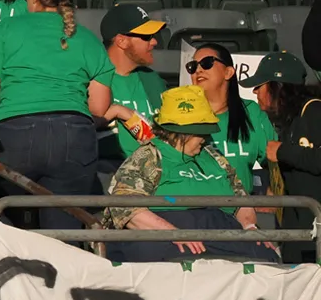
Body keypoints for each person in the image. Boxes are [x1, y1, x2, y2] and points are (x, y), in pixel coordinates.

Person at [0, 0, 113, 231]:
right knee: (63, 231)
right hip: (74, 137)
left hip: (16, 136)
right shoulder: (87, 39)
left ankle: (13, 264)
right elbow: (99, 106)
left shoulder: (8, 28)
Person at [103, 86, 277, 263]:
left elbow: (240, 199)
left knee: (265, 255)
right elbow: (126, 208)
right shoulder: (150, 156)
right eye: (200, 132)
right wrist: (175, 233)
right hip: (168, 234)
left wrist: (250, 227)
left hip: (220, 233)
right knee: (172, 256)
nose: (205, 138)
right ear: (180, 133)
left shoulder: (215, 158)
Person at [244, 51, 321, 264]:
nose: (255, 91)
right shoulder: (290, 122)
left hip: (315, 237)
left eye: (260, 85)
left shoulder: (314, 111)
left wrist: (283, 152)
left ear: (278, 86)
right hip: (299, 235)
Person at [187, 43, 277, 194]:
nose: (198, 70)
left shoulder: (251, 112)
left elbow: (274, 163)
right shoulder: (180, 113)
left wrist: (272, 193)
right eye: (192, 66)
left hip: (241, 211)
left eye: (207, 63)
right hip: (195, 210)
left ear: (228, 72)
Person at [93, 5, 168, 163]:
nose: (154, 42)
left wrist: (121, 112)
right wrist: (115, 112)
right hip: (108, 171)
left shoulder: (152, 80)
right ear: (122, 41)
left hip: (156, 168)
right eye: (146, 37)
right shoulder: (91, 80)